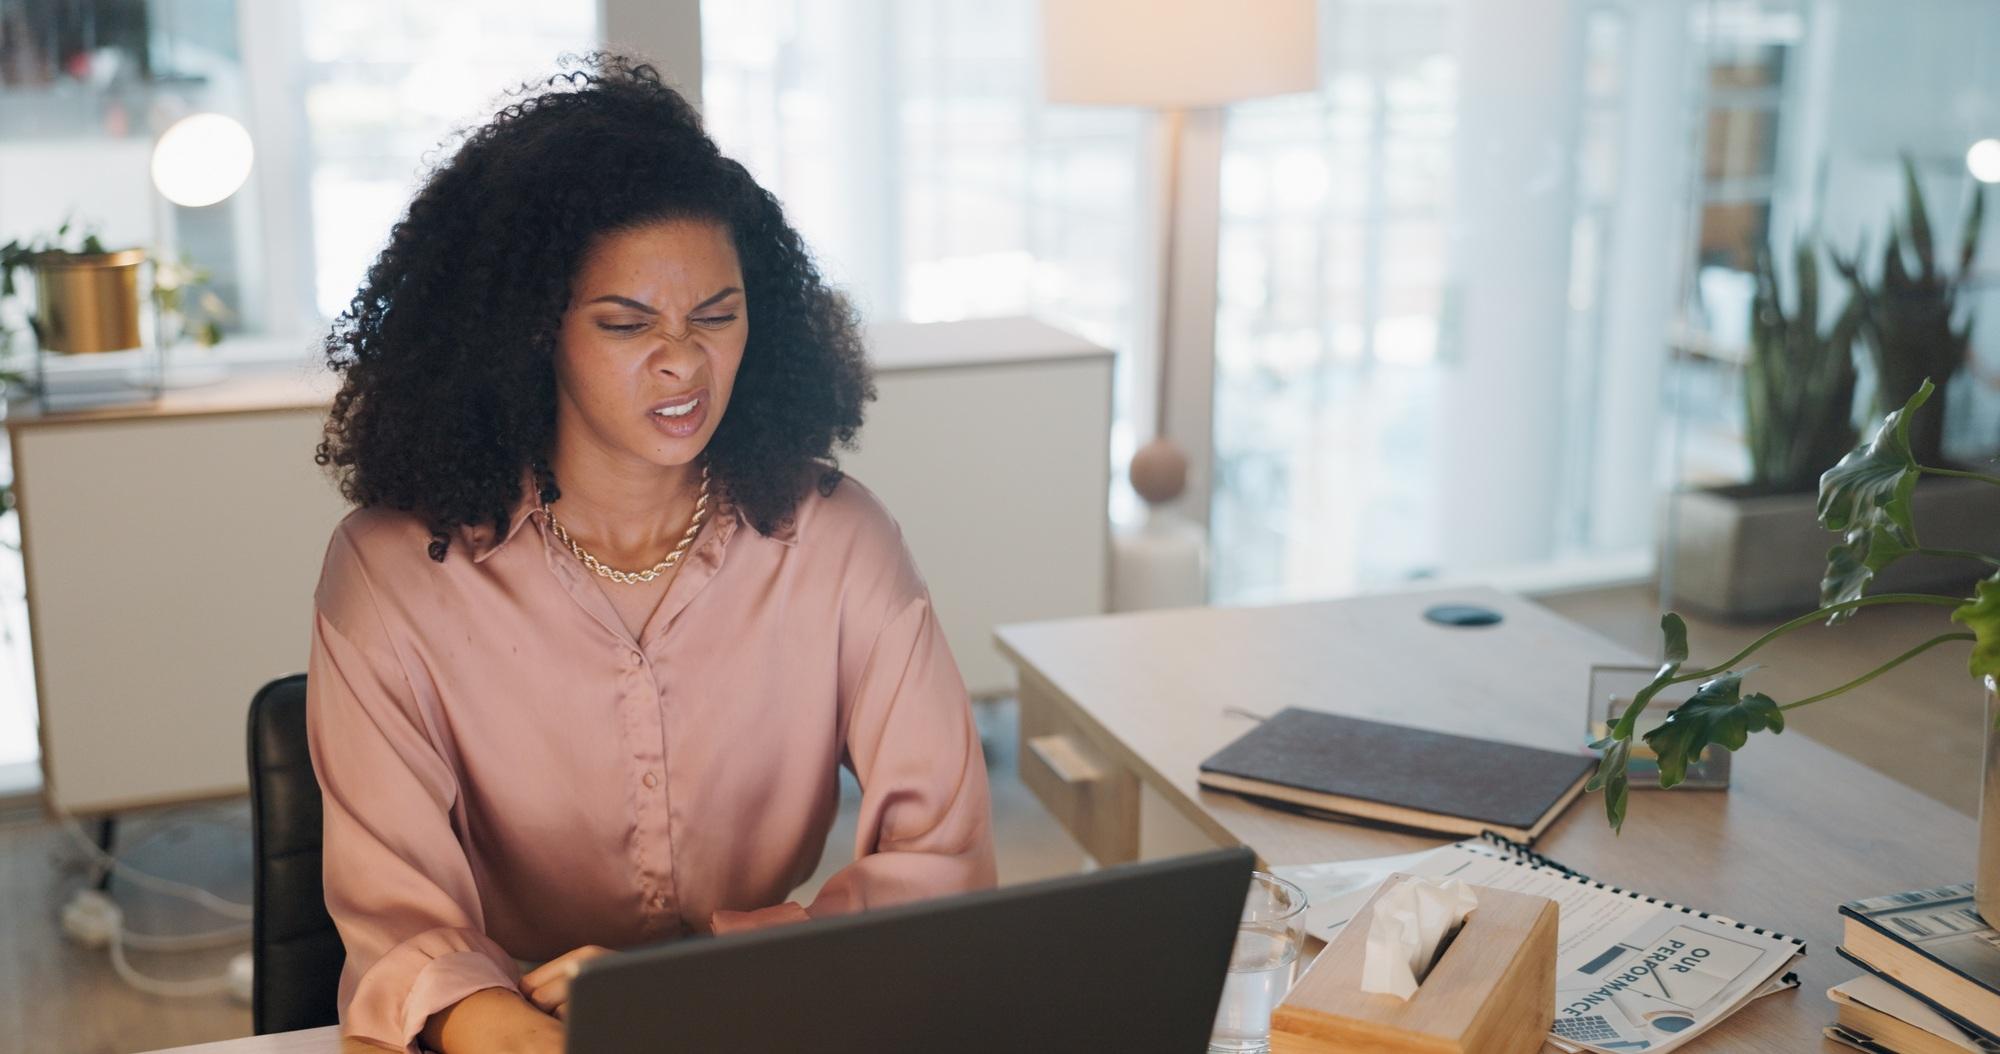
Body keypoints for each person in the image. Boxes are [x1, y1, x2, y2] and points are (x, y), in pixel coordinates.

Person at [306, 53, 997, 1054]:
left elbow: (941, 870)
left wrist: (696, 988)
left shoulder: (839, 541)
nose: (682, 361)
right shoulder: (393, 572)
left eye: (715, 316)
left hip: (764, 1019)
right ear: (530, 335)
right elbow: (404, 937)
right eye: (626, 323)